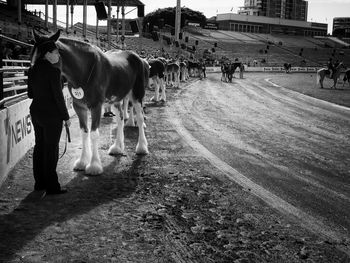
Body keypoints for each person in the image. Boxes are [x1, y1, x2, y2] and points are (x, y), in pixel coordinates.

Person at [28, 39, 70, 195]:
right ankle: (52, 186)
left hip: (36, 112)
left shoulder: (32, 70)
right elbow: (59, 98)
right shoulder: (54, 72)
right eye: (56, 52)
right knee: (51, 150)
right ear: (47, 54)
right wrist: (66, 117)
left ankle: (39, 183)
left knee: (39, 147)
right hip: (52, 115)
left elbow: (30, 94)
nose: (58, 55)